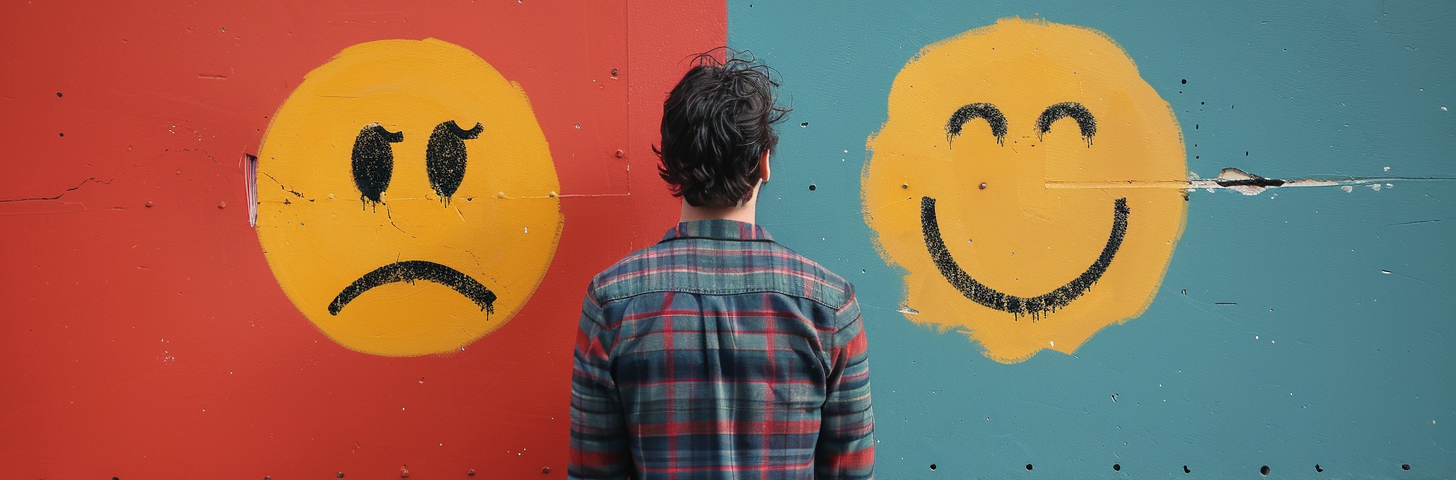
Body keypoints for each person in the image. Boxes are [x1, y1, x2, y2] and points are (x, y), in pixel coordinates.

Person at [569, 52, 875, 480]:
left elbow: (593, 472)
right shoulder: (830, 305)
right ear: (764, 162)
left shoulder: (611, 302)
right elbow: (850, 472)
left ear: (673, 163)